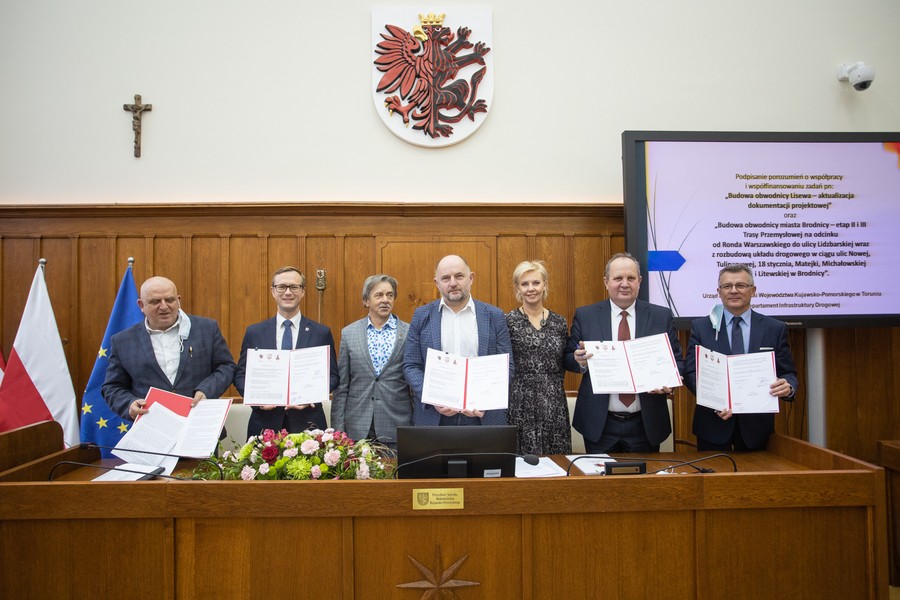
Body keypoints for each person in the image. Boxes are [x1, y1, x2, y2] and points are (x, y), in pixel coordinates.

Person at [564, 252, 682, 453]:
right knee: (600, 481)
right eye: (618, 278)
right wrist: (580, 361)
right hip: (599, 423)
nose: (625, 284)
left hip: (646, 424)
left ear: (640, 281)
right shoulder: (586, 315)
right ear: (606, 282)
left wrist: (669, 383)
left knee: (644, 483)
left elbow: (677, 362)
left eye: (631, 278)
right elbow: (568, 357)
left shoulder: (660, 316)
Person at [684, 264, 797, 451]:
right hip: (713, 425)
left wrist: (788, 386)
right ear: (719, 292)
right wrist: (714, 401)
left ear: (753, 290)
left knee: (755, 480)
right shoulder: (701, 327)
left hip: (757, 428)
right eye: (727, 286)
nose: (733, 291)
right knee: (714, 479)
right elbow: (691, 372)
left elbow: (788, 372)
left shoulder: (774, 329)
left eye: (741, 285)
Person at [102, 276, 236, 421]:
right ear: (141, 305)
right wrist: (129, 404)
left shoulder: (207, 329)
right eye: (155, 301)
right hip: (152, 428)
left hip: (199, 423)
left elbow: (226, 367)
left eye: (170, 300)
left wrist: (206, 390)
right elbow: (112, 387)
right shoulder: (123, 341)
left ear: (178, 300)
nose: (164, 306)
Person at [403, 254, 513, 426]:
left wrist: (485, 399)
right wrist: (433, 397)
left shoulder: (495, 316)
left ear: (471, 278)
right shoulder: (421, 316)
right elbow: (411, 365)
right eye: (445, 278)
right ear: (437, 283)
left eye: (459, 276)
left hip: (483, 417)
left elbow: (507, 366)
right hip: (434, 418)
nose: (453, 283)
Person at [234, 266, 340, 438]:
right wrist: (256, 400)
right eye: (282, 287)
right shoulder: (255, 332)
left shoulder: (321, 333)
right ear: (273, 291)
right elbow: (240, 376)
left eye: (294, 287)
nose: (288, 292)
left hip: (309, 425)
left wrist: (311, 396)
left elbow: (333, 376)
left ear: (303, 291)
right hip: (264, 425)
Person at [331, 274, 412, 449]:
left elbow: (413, 385)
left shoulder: (409, 333)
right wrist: (338, 431)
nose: (385, 300)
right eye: (379, 295)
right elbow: (342, 387)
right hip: (357, 427)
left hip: (397, 425)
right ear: (366, 300)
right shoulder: (349, 333)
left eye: (390, 295)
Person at [506, 260, 571, 455]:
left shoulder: (559, 322)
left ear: (545, 285)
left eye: (535, 282)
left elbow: (564, 362)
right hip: (519, 402)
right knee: (521, 463)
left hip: (554, 402)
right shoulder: (507, 321)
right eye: (524, 284)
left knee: (557, 461)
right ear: (518, 288)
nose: (530, 288)